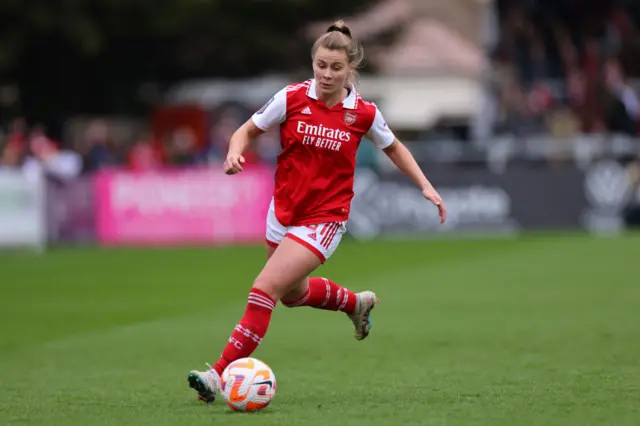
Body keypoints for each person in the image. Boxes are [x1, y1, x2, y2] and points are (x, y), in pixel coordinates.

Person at [187, 20, 447, 403]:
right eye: (321, 65)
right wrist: (233, 151)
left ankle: (217, 374)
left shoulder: (363, 113)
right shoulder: (290, 98)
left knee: (264, 289)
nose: (327, 74)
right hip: (283, 210)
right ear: (313, 63)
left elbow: (394, 147)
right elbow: (245, 130)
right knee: (291, 294)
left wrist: (425, 185)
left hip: (325, 218)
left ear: (350, 69)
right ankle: (355, 303)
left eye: (336, 68)